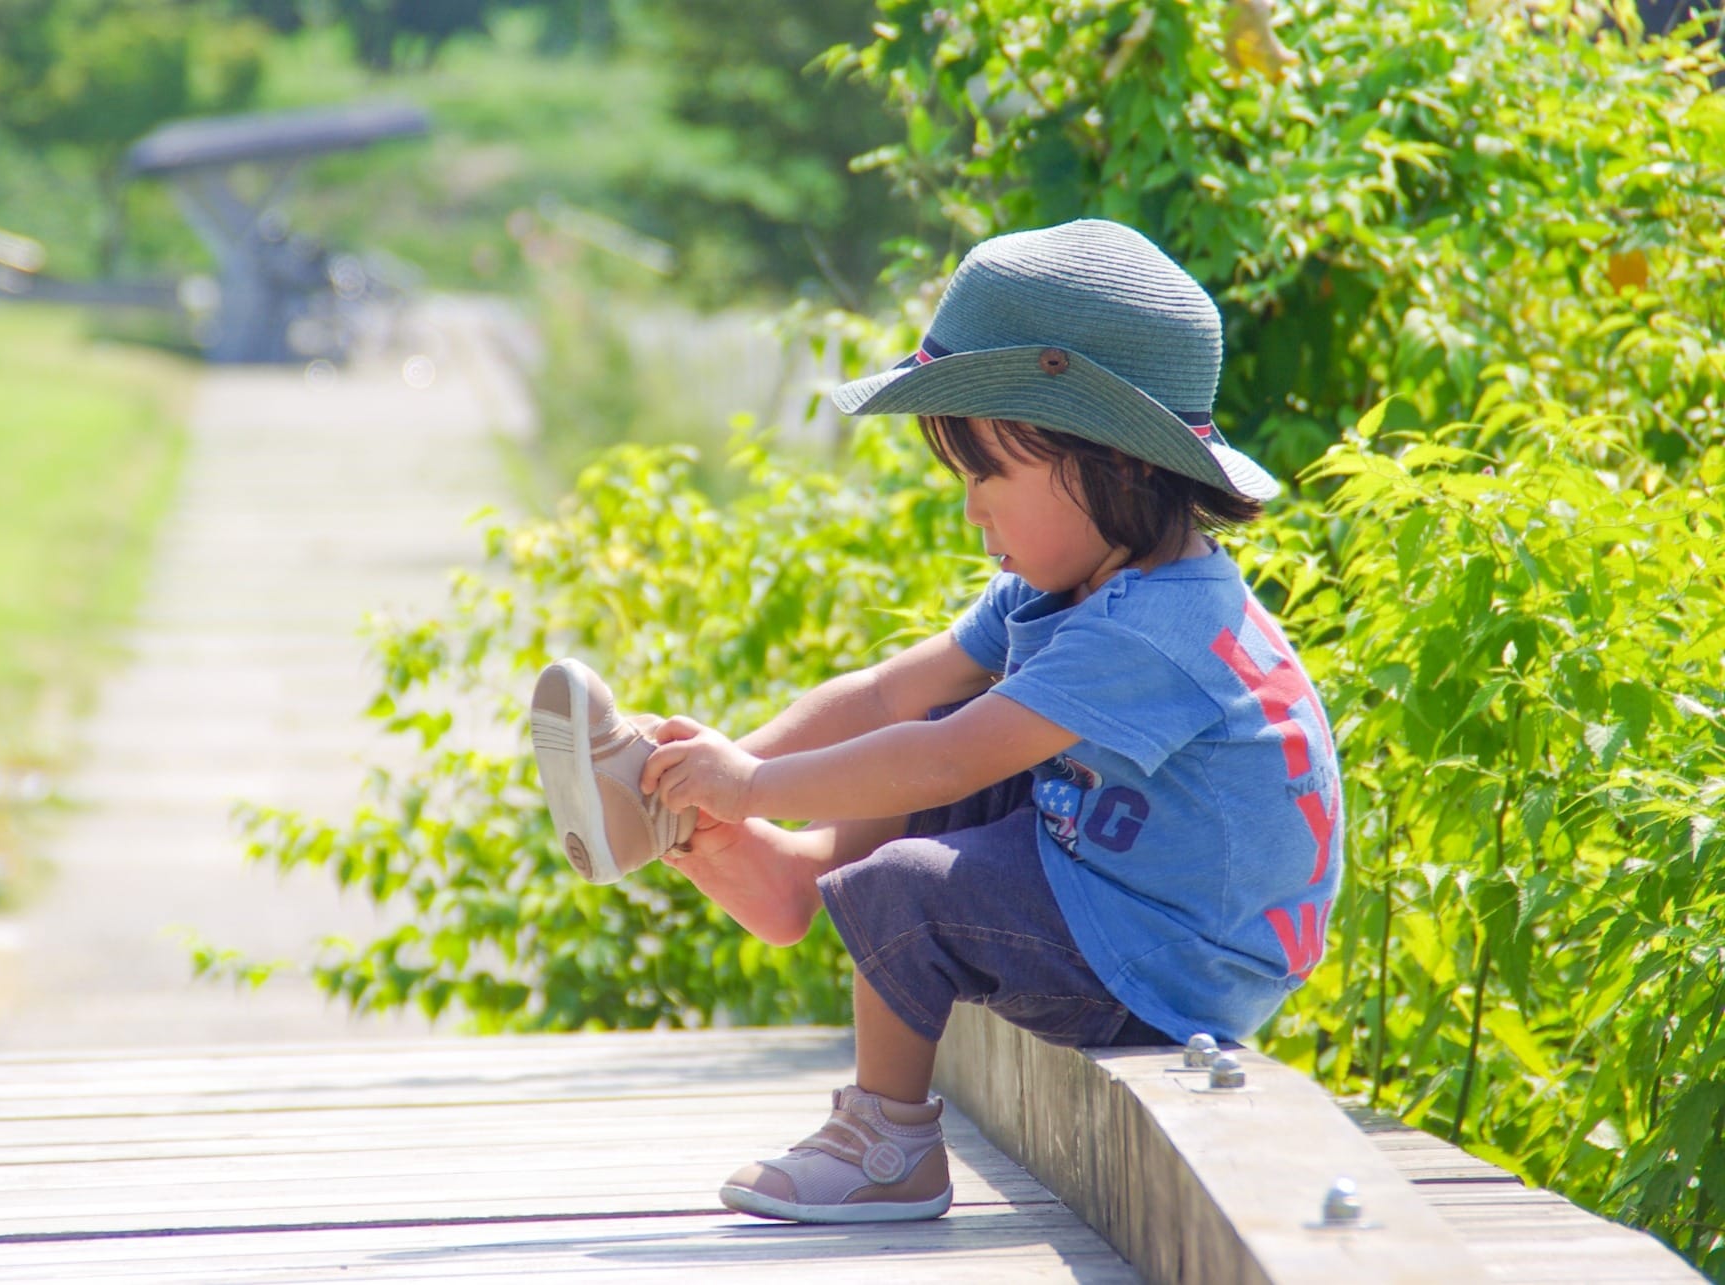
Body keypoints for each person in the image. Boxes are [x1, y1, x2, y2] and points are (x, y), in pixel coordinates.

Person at [529, 218, 1343, 1225]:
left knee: (906, 889)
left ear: (1113, 461)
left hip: (1170, 963)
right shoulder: (1073, 587)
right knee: (946, 707)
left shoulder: (1157, 628)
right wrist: (721, 761)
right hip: (1122, 881)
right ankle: (776, 866)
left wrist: (750, 788)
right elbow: (886, 696)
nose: (970, 511)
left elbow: (946, 760)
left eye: (985, 474)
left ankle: (890, 1143)